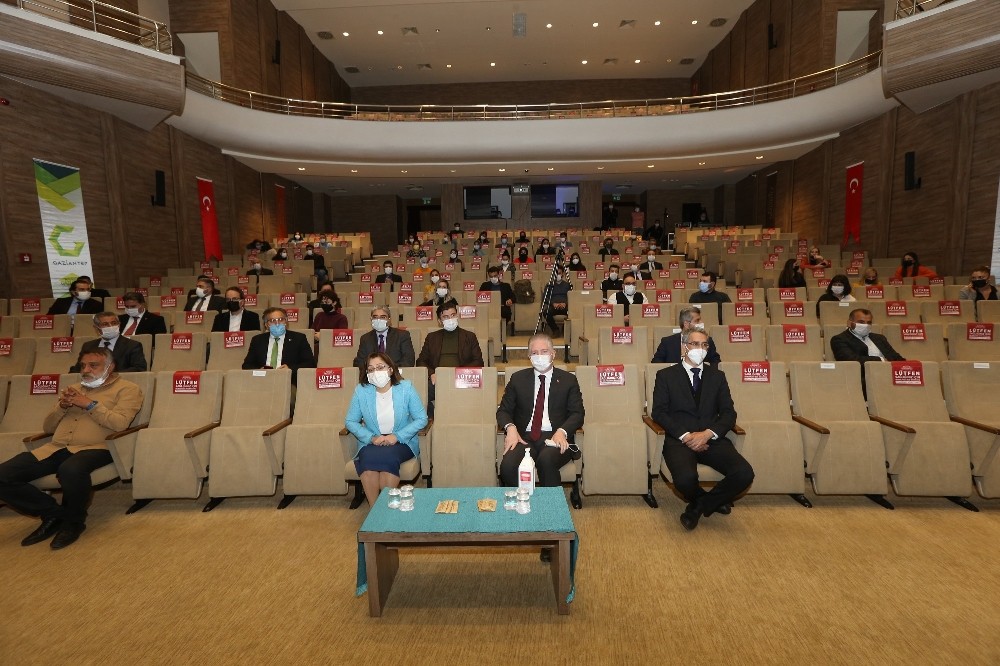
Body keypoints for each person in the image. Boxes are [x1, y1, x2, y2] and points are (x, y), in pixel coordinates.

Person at [0, 347, 143, 549]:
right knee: (3, 475)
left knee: (70, 469)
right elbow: (48, 428)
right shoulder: (74, 388)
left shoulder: (128, 389)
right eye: (83, 365)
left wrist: (90, 405)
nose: (86, 370)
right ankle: (55, 514)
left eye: (93, 365)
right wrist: (62, 407)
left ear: (110, 367)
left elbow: (120, 424)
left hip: (99, 447)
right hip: (57, 447)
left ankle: (74, 523)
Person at [650, 329, 754, 531]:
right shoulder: (665, 376)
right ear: (684, 347)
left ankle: (698, 507)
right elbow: (659, 413)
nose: (701, 349)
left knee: (744, 473)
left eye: (704, 345)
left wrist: (708, 434)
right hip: (680, 439)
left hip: (711, 438)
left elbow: (728, 413)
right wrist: (686, 435)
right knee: (684, 479)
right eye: (695, 344)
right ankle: (709, 501)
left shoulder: (717, 376)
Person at [497, 333, 583, 491]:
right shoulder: (517, 379)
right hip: (524, 438)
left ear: (553, 354)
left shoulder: (568, 380)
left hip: (555, 437)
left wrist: (562, 431)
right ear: (529, 356)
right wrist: (510, 428)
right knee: (507, 466)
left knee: (546, 460)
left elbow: (577, 414)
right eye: (534, 353)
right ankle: (521, 501)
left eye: (544, 352)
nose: (539, 356)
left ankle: (551, 504)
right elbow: (503, 411)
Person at [346, 352, 428, 506]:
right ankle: (375, 511)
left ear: (390, 369)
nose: (375, 372)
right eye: (371, 369)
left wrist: (397, 436)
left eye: (380, 367)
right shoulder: (361, 391)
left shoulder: (406, 388)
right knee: (367, 461)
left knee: (388, 459)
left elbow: (422, 419)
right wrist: (371, 438)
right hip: (372, 441)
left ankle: (384, 511)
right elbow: (350, 421)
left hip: (402, 442)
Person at [416, 303, 484, 413]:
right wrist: (431, 373)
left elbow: (478, 361)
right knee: (417, 393)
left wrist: (458, 374)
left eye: (453, 315)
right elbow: (421, 361)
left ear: (457, 316)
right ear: (439, 321)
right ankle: (432, 416)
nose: (450, 319)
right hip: (438, 380)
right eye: (446, 317)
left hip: (462, 379)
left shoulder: (470, 336)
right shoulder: (432, 337)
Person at [830, 309, 904, 398]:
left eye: (869, 322)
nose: (865, 325)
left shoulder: (880, 338)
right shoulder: (839, 339)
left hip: (889, 375)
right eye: (861, 322)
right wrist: (881, 360)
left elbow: (896, 357)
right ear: (849, 323)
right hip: (863, 378)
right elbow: (851, 360)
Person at [242, 307, 316, 381]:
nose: (277, 323)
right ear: (266, 325)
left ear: (286, 321)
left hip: (287, 380)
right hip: (263, 380)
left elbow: (310, 363)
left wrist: (290, 369)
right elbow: (247, 365)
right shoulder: (257, 340)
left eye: (281, 319)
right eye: (272, 320)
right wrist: (260, 371)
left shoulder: (299, 338)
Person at [70, 312, 147, 373]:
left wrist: (109, 375)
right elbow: (78, 368)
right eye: (105, 324)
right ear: (96, 328)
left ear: (119, 325)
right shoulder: (88, 346)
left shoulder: (132, 345)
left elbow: (139, 368)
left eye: (114, 323)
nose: (110, 326)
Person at [652, 306, 721, 365]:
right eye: (697, 320)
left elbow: (716, 362)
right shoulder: (667, 342)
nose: (701, 323)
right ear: (686, 324)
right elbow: (656, 364)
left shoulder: (707, 341)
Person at [354, 306, 416, 370]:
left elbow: (409, 360)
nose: (378, 320)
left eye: (383, 317)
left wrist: (389, 370)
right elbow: (360, 362)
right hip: (373, 374)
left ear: (389, 319)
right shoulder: (365, 338)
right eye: (375, 317)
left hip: (395, 373)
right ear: (371, 319)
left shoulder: (402, 335)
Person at [543, 268, 572, 334]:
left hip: (565, 307)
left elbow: (572, 297)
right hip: (553, 306)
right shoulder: (549, 285)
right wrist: (553, 303)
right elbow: (545, 297)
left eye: (559, 273)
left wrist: (566, 303)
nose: (558, 275)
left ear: (563, 274)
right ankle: (555, 330)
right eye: (556, 273)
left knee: (572, 312)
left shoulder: (567, 285)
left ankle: (565, 329)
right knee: (546, 312)